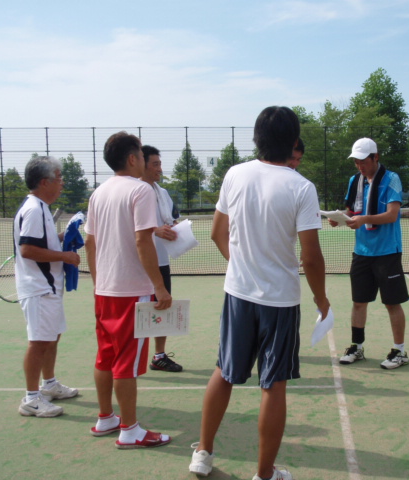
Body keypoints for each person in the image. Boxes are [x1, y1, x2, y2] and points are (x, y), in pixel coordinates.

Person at [189, 106, 330, 480]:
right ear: (293, 141)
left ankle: (202, 454)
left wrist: (240, 266)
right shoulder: (301, 187)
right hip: (280, 301)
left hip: (238, 295)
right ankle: (264, 474)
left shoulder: (235, 174)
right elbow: (312, 258)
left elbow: (219, 233)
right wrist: (322, 299)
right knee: (274, 384)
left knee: (224, 372)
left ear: (257, 138)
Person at [85, 131, 172, 449]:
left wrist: (98, 281)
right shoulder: (140, 190)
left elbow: (89, 242)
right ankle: (130, 429)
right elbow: (142, 240)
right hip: (130, 291)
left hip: (105, 290)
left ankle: (106, 417)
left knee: (105, 356)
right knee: (125, 361)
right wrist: (159, 287)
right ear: (133, 159)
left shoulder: (99, 193)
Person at [333, 137, 409, 370]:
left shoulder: (391, 179)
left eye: (363, 161)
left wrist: (364, 218)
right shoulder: (354, 180)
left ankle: (400, 351)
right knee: (359, 302)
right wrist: (339, 218)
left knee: (392, 303)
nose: (359, 166)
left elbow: (391, 215)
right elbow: (351, 210)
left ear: (376, 157)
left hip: (387, 252)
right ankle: (357, 346)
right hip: (362, 252)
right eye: (356, 162)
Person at [14, 156, 81, 418]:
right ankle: (31, 398)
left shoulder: (40, 208)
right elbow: (28, 249)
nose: (62, 183)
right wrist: (65, 256)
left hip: (49, 287)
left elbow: (42, 242)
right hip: (39, 288)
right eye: (59, 178)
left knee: (52, 337)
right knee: (39, 342)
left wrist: (65, 237)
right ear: (44, 182)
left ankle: (49, 385)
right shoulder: (33, 209)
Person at [140, 144, 183, 373]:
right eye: (155, 164)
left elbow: (171, 219)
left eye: (159, 163)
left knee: (162, 306)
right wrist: (155, 230)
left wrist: (176, 229)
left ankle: (159, 356)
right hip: (138, 263)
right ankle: (127, 356)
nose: (159, 168)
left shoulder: (162, 193)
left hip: (162, 261)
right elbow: (129, 228)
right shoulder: (133, 191)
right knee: (134, 311)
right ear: (140, 164)